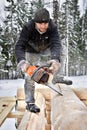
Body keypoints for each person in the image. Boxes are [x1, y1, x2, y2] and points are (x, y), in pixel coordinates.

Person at [15, 8, 62, 113]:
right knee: (29, 76)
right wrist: (22, 61)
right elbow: (19, 46)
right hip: (31, 51)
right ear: (35, 22)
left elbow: (56, 43)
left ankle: (57, 77)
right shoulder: (28, 28)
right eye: (40, 24)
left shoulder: (53, 27)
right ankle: (30, 102)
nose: (43, 26)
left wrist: (55, 60)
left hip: (46, 49)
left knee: (56, 59)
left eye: (46, 23)